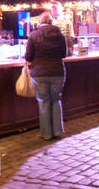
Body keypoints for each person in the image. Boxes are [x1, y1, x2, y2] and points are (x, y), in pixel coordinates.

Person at [25, 8, 71, 141]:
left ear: (40, 22)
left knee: (44, 102)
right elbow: (64, 54)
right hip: (57, 72)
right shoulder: (60, 35)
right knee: (56, 100)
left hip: (39, 73)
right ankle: (57, 131)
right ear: (51, 21)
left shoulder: (33, 35)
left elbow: (28, 56)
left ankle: (46, 134)